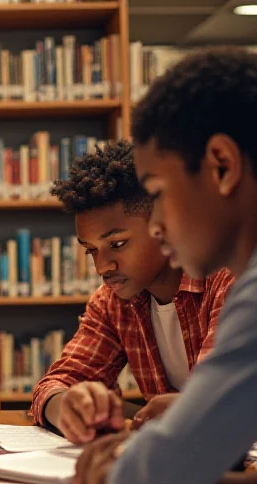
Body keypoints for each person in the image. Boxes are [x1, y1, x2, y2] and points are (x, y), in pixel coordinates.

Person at [74, 47, 257, 484]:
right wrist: (184, 481)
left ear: (222, 166)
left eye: (158, 193)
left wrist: (110, 473)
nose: (157, 225)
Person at [30, 140, 233, 444]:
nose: (102, 266)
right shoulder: (113, 301)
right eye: (90, 251)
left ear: (164, 222)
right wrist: (67, 406)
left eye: (118, 244)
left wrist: (193, 411)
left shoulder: (226, 279)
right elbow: (55, 385)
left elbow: (223, 400)